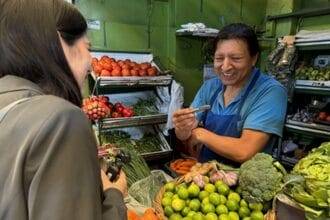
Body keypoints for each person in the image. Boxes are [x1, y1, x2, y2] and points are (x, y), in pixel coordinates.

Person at [0, 0, 127, 219]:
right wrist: (115, 196)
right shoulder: (61, 119)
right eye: (88, 47)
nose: (91, 60)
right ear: (57, 40)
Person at [173, 23, 287, 166]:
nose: (225, 66)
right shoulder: (210, 87)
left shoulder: (270, 91)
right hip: (208, 180)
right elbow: (186, 136)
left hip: (246, 183)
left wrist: (201, 134)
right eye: (219, 58)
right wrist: (182, 128)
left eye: (236, 58)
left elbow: (245, 151)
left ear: (254, 58)